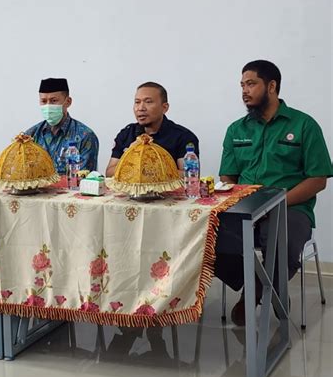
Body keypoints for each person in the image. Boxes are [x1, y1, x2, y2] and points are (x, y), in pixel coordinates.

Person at [215, 60, 332, 326]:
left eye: (251, 83)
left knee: (280, 238)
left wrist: (276, 202)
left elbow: (318, 179)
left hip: (290, 206)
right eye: (242, 85)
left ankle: (254, 293)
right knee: (208, 235)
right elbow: (228, 176)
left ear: (272, 86)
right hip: (244, 205)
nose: (244, 90)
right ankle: (266, 287)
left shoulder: (304, 125)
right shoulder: (237, 129)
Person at [106, 81, 199, 176]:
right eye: (137, 102)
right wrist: (130, 155)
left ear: (165, 108)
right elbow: (109, 173)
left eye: (148, 102)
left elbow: (190, 176)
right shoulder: (126, 133)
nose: (140, 108)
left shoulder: (183, 137)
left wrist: (153, 169)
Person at [25, 78, 99, 173]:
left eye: (54, 101)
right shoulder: (30, 136)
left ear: (68, 102)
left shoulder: (85, 136)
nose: (48, 106)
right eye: (43, 101)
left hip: (72, 188)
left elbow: (85, 180)